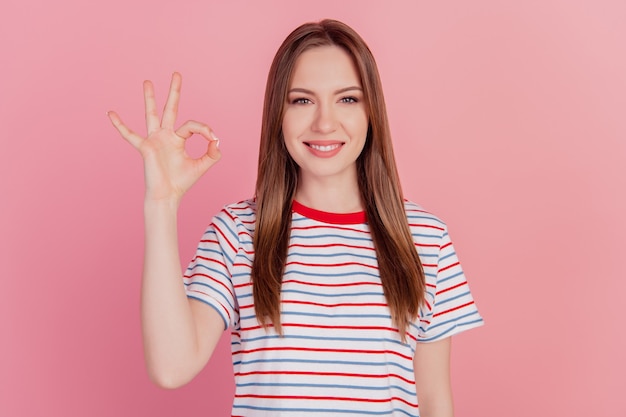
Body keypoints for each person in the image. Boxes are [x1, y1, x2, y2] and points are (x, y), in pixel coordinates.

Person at [108, 19, 483, 417]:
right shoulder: (237, 233)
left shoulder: (426, 238)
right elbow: (170, 367)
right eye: (302, 100)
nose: (324, 123)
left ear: (372, 110)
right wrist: (162, 204)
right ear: (278, 113)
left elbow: (434, 400)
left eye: (348, 99)